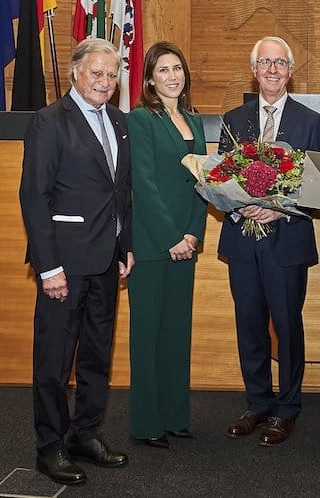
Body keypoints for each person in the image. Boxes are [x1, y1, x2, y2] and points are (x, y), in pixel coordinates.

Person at [19, 37, 133, 486]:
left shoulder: (119, 121)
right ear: (75, 72)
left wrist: (125, 247)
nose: (104, 81)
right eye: (96, 72)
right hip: (63, 265)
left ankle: (85, 435)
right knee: (54, 361)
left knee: (96, 356)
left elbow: (120, 191)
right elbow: (35, 197)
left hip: (106, 261)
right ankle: (50, 447)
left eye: (112, 74)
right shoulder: (49, 121)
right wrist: (48, 268)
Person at [218, 36, 320, 446]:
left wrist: (280, 210)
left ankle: (287, 408)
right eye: (265, 62)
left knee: (287, 325)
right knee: (249, 324)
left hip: (287, 240)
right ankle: (258, 403)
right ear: (254, 70)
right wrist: (240, 205)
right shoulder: (234, 119)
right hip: (242, 240)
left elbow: (315, 184)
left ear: (290, 71)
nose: (273, 70)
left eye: (280, 63)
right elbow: (221, 176)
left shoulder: (310, 121)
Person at [126, 41, 208, 449]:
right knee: (147, 335)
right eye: (163, 70)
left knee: (177, 334)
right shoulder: (141, 119)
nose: (172, 76)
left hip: (185, 245)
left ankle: (175, 417)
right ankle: (147, 423)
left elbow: (204, 183)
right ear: (149, 80)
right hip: (152, 244)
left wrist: (192, 234)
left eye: (177, 68)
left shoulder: (194, 120)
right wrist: (171, 237)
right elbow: (143, 184)